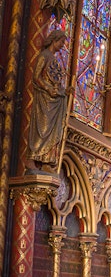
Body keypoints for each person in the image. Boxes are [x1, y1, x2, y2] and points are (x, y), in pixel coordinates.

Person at [26, 30, 69, 172]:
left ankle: (46, 160)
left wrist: (65, 91)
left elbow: (55, 80)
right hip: (44, 99)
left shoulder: (54, 59)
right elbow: (36, 77)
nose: (63, 45)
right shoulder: (44, 56)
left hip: (54, 100)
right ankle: (32, 158)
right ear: (53, 40)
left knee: (52, 130)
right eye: (61, 41)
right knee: (41, 128)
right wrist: (48, 89)